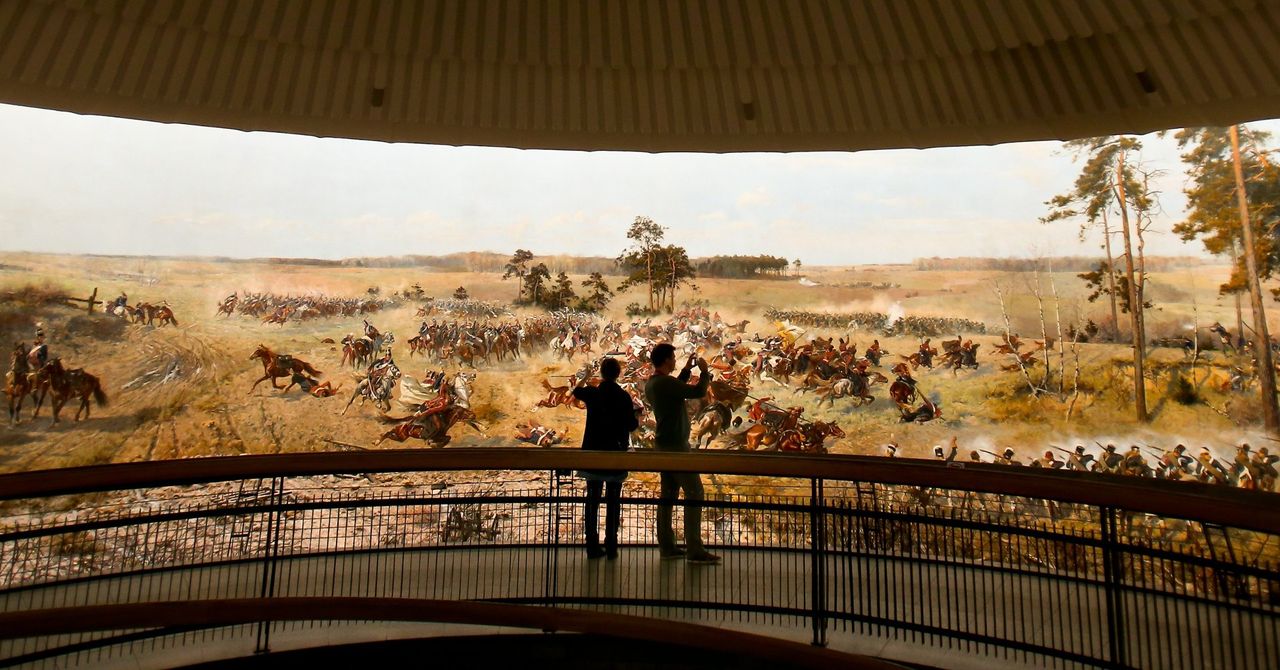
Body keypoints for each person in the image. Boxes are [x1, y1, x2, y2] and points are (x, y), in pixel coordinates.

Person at [644, 343, 719, 565]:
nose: (675, 360)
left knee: (668, 495)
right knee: (695, 491)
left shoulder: (654, 382)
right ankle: (694, 548)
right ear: (667, 360)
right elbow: (696, 391)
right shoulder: (664, 383)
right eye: (674, 358)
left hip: (663, 444)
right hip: (676, 446)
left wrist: (686, 370)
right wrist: (704, 372)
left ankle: (667, 546)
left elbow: (675, 386)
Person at [572, 357, 639, 560]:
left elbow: (576, 391)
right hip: (615, 455)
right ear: (618, 374)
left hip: (593, 454)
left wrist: (584, 378)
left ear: (601, 373)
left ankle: (591, 544)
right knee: (613, 501)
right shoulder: (623, 396)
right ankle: (611, 544)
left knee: (592, 500)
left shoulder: (593, 393)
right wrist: (635, 418)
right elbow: (631, 426)